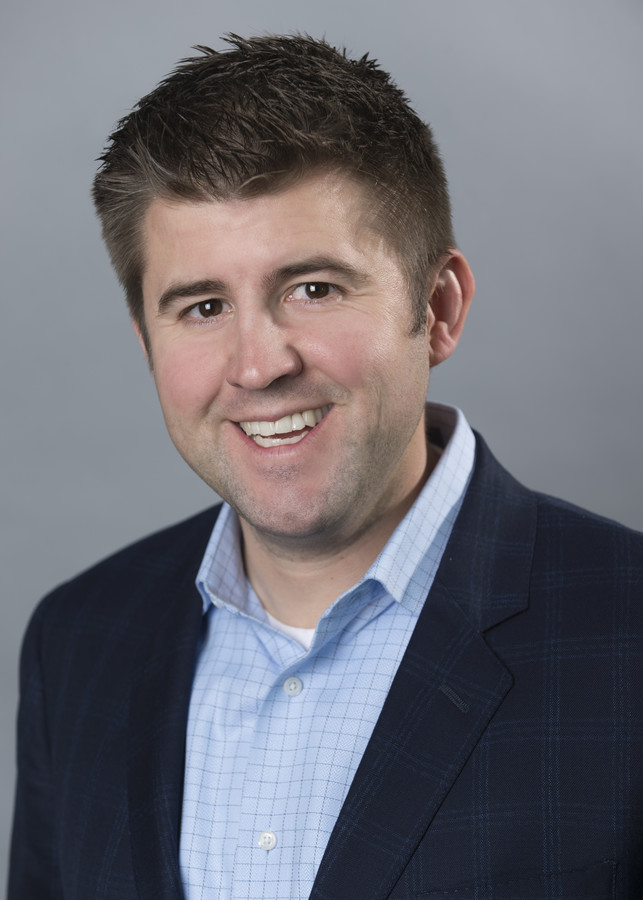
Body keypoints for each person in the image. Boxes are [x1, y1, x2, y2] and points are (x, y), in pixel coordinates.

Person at [8, 34, 643, 900]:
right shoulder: (77, 642)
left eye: (313, 289)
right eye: (202, 307)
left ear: (438, 309)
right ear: (147, 342)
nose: (258, 365)